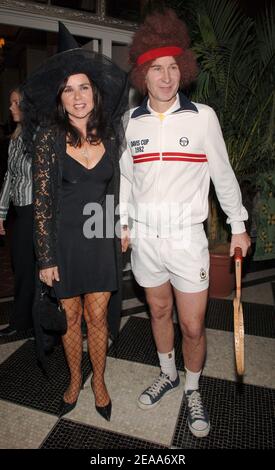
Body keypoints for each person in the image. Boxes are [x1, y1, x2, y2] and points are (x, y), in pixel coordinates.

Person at [120, 9, 251, 438]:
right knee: (158, 310)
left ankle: (194, 388)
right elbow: (126, 178)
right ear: (144, 73)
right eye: (157, 68)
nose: (166, 76)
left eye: (173, 67)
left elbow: (223, 175)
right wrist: (123, 221)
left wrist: (238, 224)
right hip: (145, 238)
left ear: (183, 71)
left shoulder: (203, 117)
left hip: (186, 238)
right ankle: (168, 373)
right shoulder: (130, 122)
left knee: (192, 324)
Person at [22, 23, 128, 421]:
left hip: (99, 235)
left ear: (94, 92)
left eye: (83, 87)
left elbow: (120, 187)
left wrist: (122, 223)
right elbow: (43, 201)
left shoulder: (111, 135)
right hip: (63, 242)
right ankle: (73, 379)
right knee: (70, 318)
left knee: (98, 316)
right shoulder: (49, 137)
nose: (77, 96)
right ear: (60, 98)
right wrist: (45, 256)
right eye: (68, 89)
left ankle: (98, 380)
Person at [0, 87, 35, 336]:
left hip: (37, 212)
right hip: (20, 212)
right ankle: (24, 320)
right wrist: (1, 213)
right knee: (22, 266)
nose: (10, 107)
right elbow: (9, 177)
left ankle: (25, 322)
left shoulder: (39, 137)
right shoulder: (15, 138)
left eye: (15, 103)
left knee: (30, 268)